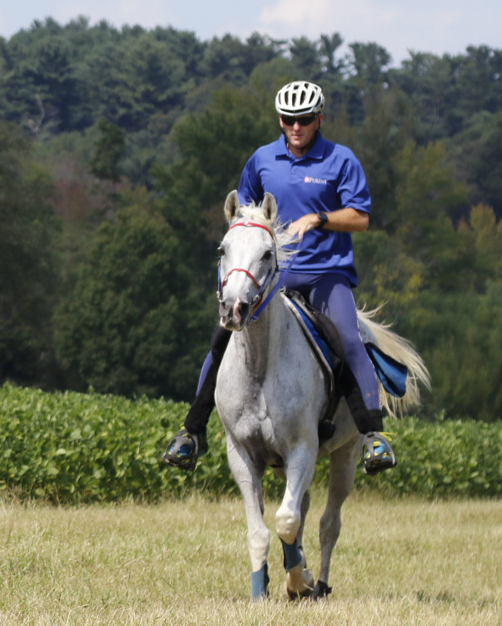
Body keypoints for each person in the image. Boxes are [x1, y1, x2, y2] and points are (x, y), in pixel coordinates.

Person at [161, 79, 397, 475]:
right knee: (222, 337)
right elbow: (244, 214)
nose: (296, 127)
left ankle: (373, 435)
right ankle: (191, 433)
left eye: (304, 119)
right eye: (288, 119)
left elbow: (360, 217)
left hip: (325, 274)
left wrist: (319, 218)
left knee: (348, 338)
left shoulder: (341, 160)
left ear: (319, 119)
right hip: (273, 278)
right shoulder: (262, 160)